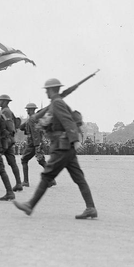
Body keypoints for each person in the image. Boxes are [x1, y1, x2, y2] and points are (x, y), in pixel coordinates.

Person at [13, 78, 97, 219]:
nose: (46, 91)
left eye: (47, 89)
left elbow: (67, 121)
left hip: (61, 146)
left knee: (47, 176)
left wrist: (75, 141)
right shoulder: (56, 102)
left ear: (51, 89)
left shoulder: (57, 103)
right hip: (66, 147)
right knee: (79, 178)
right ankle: (91, 208)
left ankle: (30, 205)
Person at [18, 102, 48, 187]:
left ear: (31, 110)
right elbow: (22, 127)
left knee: (24, 160)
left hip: (33, 144)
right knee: (41, 161)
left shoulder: (32, 120)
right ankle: (51, 180)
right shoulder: (34, 119)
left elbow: (35, 134)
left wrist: (36, 146)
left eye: (28, 109)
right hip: (37, 143)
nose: (27, 111)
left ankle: (26, 181)